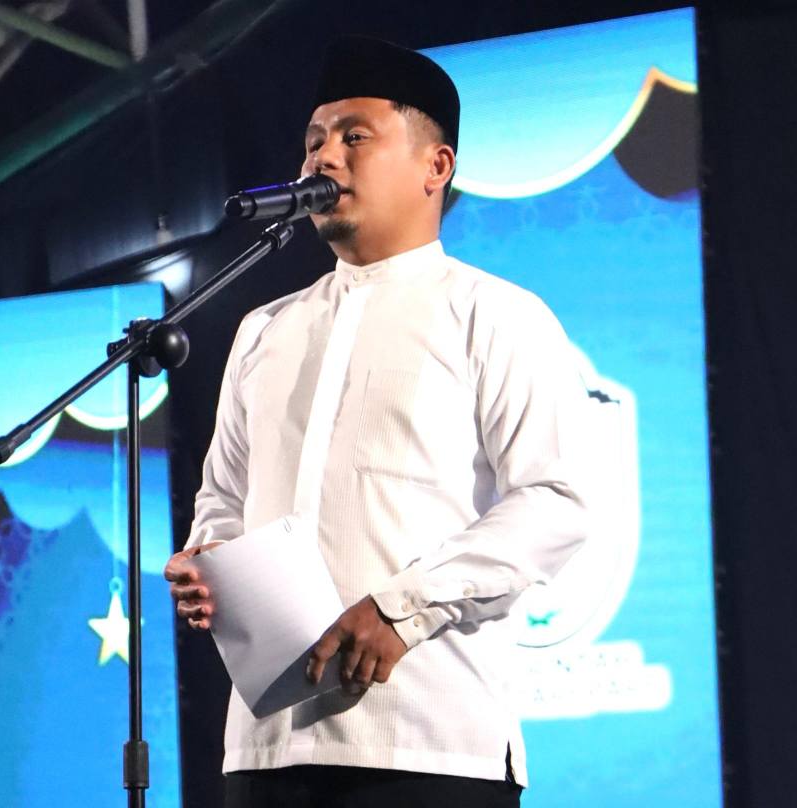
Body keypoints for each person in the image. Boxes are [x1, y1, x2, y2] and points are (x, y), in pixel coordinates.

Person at [165, 35, 591, 808]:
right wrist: (208, 563)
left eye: (354, 137)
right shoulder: (264, 329)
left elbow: (554, 502)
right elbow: (223, 497)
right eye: (313, 141)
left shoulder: (495, 314)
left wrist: (401, 607)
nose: (324, 157)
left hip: (427, 742)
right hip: (264, 749)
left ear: (437, 166)